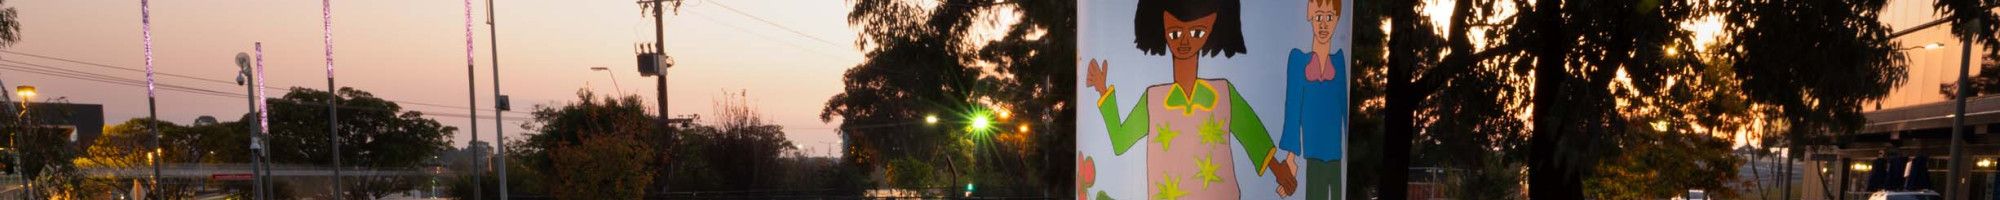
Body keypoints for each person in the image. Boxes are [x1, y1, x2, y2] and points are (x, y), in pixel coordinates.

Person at [1084, 0, 1293, 198]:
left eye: (1196, 32)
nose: (1184, 41)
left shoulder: (1223, 93)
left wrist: (1278, 169)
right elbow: (1121, 141)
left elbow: (1252, 136)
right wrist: (1103, 91)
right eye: (1175, 32)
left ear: (1212, 26)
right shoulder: (1153, 100)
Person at [1279, 0, 1347, 198]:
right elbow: (1293, 112)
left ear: (1336, 20)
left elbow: (1345, 114)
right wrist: (1290, 160)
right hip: (1313, 160)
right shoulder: (1299, 61)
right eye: (1318, 17)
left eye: (1329, 17)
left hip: (1336, 160)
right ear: (1310, 16)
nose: (1324, 24)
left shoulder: (1340, 63)